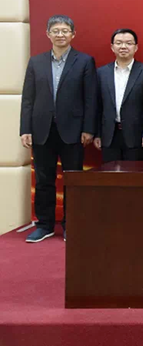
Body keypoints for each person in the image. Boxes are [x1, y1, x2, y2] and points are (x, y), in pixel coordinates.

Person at [20, 15, 96, 243]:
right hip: (41, 130)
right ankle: (44, 225)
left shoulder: (84, 61)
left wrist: (88, 129)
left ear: (73, 34)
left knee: (73, 180)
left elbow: (90, 98)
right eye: (56, 31)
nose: (60, 34)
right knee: (44, 179)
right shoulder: (36, 62)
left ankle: (72, 224)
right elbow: (28, 99)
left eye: (65, 31)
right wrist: (25, 129)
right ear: (48, 34)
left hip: (73, 130)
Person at [94, 29, 143, 162]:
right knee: (109, 173)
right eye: (119, 43)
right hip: (109, 136)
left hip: (137, 136)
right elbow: (97, 106)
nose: (123, 47)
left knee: (135, 174)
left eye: (128, 43)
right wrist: (97, 134)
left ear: (136, 47)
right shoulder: (101, 73)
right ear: (112, 47)